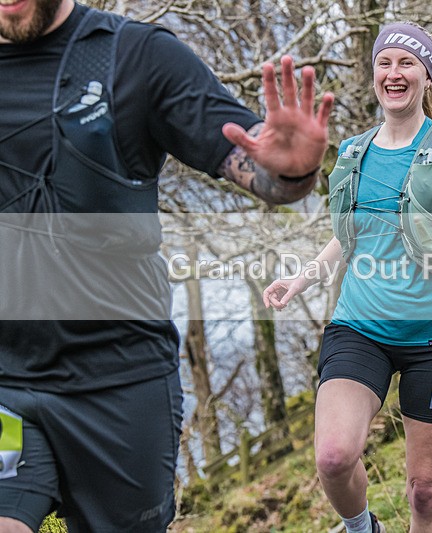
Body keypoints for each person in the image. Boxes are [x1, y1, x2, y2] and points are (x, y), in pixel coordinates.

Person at [0, 0, 333, 531]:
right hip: (6, 386)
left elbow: (253, 163)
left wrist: (289, 176)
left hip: (121, 383)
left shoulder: (134, 56)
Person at [262, 21, 432, 533]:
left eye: (407, 63)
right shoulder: (353, 154)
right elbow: (350, 239)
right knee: (333, 457)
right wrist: (302, 280)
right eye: (385, 63)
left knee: (425, 491)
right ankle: (362, 528)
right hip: (360, 328)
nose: (394, 74)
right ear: (374, 73)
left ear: (427, 77)